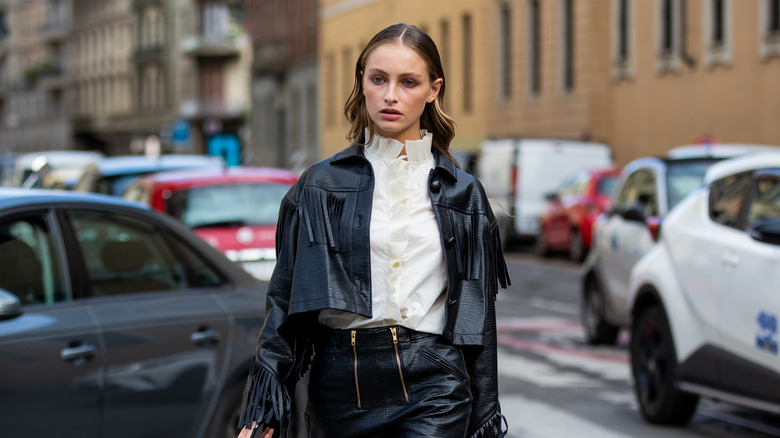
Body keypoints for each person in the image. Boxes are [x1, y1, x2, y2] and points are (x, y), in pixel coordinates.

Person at [237, 23, 510, 438]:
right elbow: (285, 301)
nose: (390, 95)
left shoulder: (463, 194)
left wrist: (485, 417)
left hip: (434, 387)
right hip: (339, 389)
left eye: (409, 82)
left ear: (433, 89)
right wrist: (265, 409)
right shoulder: (320, 185)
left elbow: (479, 320)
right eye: (378, 79)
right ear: (361, 81)